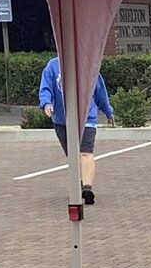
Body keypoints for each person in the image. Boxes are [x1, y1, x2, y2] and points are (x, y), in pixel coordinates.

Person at [38, 56, 114, 204]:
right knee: (73, 157)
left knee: (85, 153)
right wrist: (46, 103)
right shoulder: (53, 66)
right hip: (62, 120)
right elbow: (46, 88)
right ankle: (79, 184)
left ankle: (87, 188)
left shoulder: (88, 65)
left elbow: (99, 91)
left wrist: (108, 111)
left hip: (87, 118)